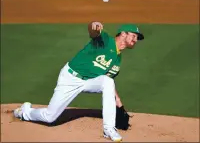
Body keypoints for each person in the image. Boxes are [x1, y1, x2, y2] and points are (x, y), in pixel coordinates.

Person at [13, 22, 144, 142]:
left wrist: (119, 103)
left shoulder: (117, 60)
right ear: (123, 34)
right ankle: (25, 112)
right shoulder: (105, 40)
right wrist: (94, 25)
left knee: (107, 81)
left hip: (89, 82)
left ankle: (109, 129)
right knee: (50, 117)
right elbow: (93, 32)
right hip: (70, 78)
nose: (135, 40)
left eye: (137, 38)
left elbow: (108, 81)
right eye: (133, 36)